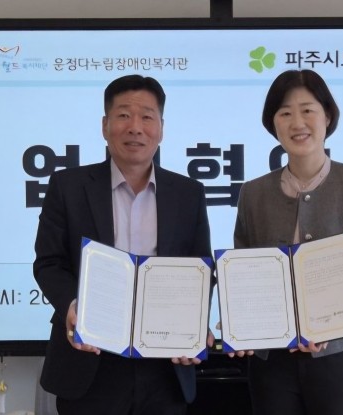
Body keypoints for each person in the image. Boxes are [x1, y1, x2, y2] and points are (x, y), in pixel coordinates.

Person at [33, 74, 213, 415]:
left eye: (147, 116)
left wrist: (193, 323)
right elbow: (49, 263)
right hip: (90, 361)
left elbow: (201, 271)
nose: (135, 128)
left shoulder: (188, 193)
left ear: (161, 128)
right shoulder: (68, 186)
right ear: (105, 125)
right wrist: (72, 305)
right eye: (124, 115)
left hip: (165, 367)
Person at [232, 69, 343, 415]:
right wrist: (240, 320)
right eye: (285, 113)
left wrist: (333, 320)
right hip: (273, 360)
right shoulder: (253, 193)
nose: (297, 122)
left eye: (307, 110)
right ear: (273, 124)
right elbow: (244, 275)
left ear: (327, 116)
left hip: (342, 353)